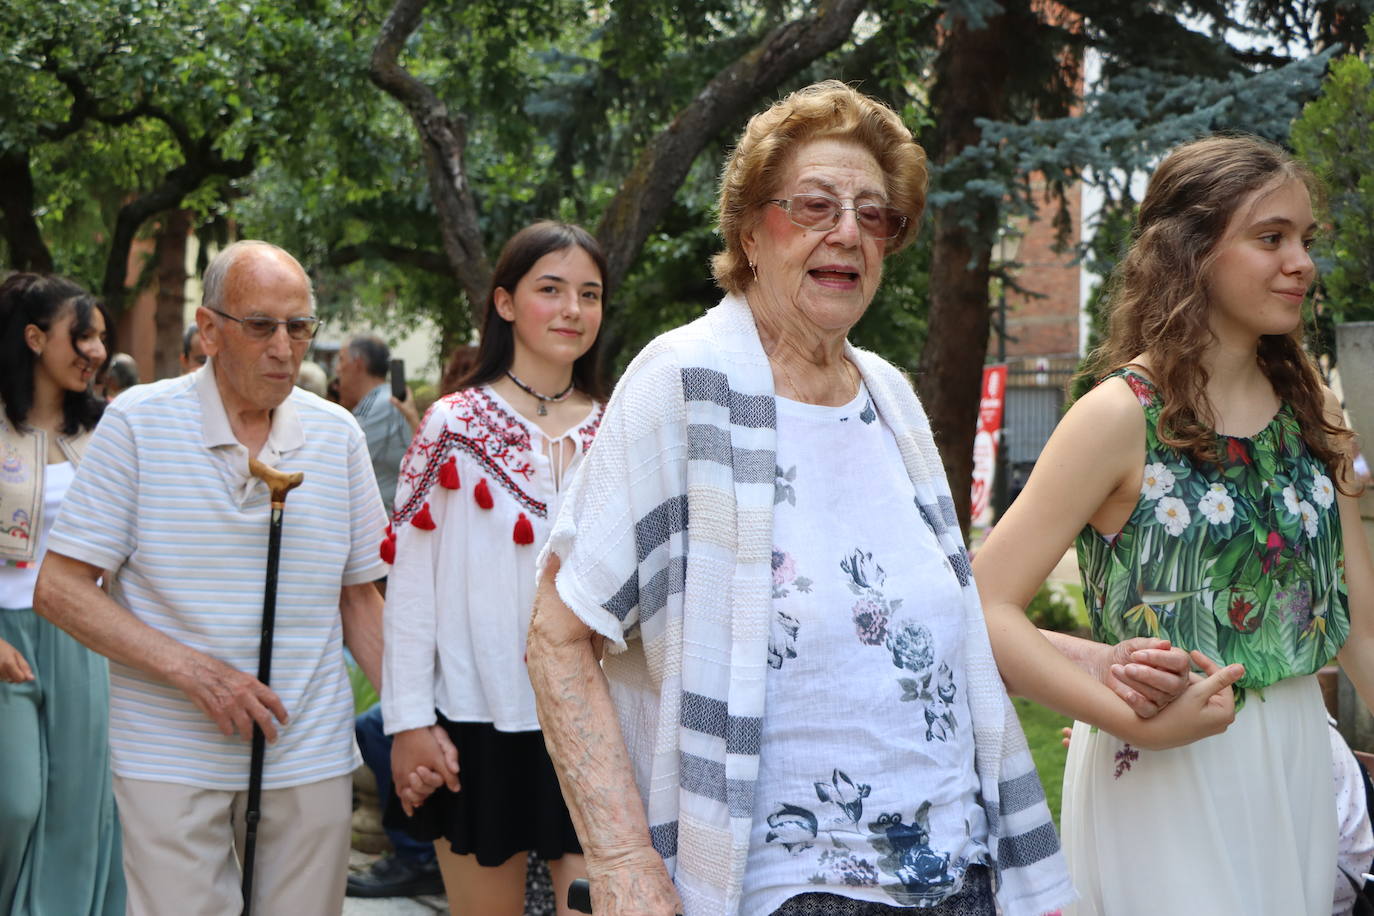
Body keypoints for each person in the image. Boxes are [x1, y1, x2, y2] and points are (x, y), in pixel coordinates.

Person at [523, 81, 1104, 916]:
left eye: (876, 215)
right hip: (787, 889)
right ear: (751, 230)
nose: (848, 233)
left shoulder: (890, 399)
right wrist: (620, 860)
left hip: (957, 875)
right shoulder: (686, 385)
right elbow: (557, 633)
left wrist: (1097, 662)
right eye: (816, 205)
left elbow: (938, 625)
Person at [973, 135, 1374, 915]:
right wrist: (1132, 720)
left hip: (1295, 755)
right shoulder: (1118, 418)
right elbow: (984, 606)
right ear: (1191, 253)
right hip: (1163, 768)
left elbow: (1355, 614)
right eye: (1271, 238)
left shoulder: (1312, 410)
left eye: (1304, 240)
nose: (1301, 262)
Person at [32, 240, 390, 916]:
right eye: (261, 326)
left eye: (300, 327)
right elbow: (61, 586)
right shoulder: (138, 422)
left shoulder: (338, 433)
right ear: (209, 329)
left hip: (307, 745)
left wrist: (410, 723)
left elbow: (359, 597)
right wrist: (192, 670)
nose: (285, 347)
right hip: (168, 750)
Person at [381, 220, 606, 916]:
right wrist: (410, 721)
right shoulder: (452, 424)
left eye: (590, 294)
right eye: (551, 289)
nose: (573, 309)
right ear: (505, 303)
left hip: (598, 724)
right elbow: (410, 588)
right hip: (480, 718)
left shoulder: (619, 427)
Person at [0, 273, 123, 915]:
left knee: (80, 807)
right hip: (4, 636)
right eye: (83, 335)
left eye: (101, 337)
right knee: (15, 803)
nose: (97, 351)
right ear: (34, 338)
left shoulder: (105, 433)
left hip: (82, 637)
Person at [338, 333, 418, 514]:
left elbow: (340, 457)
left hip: (387, 524)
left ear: (357, 364)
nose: (337, 369)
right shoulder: (384, 399)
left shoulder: (383, 405)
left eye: (341, 360)